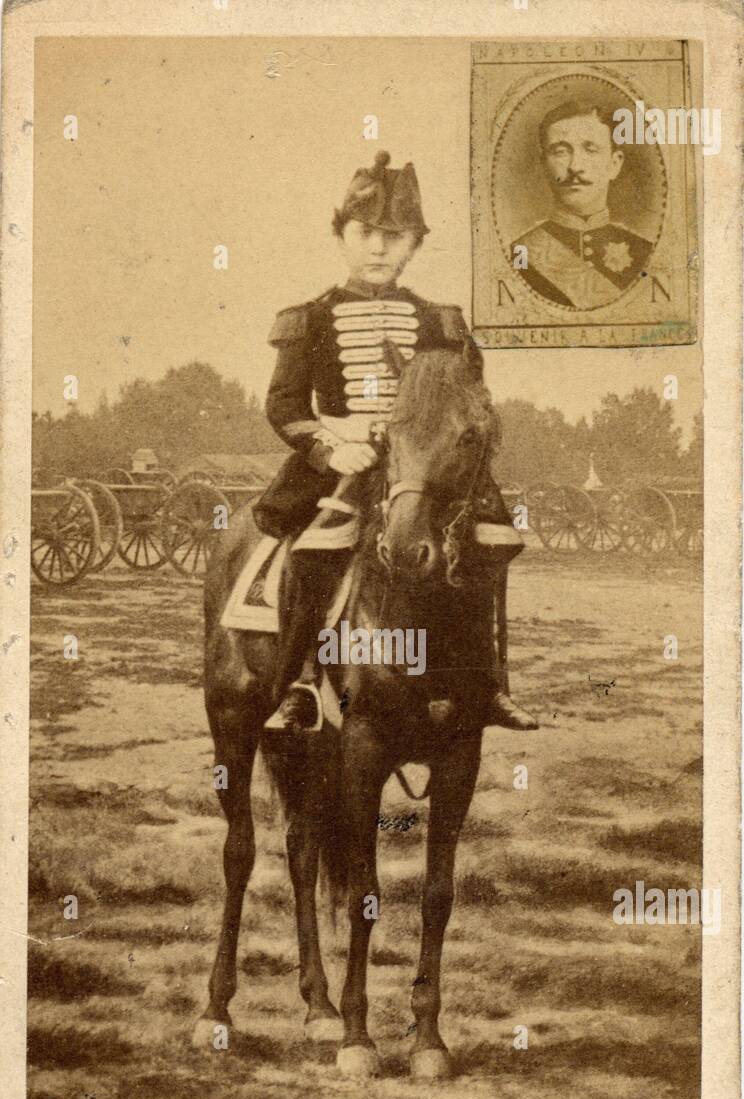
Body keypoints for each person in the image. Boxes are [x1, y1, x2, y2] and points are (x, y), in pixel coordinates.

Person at [254, 149, 538, 733]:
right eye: (365, 233)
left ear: (414, 246)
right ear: (342, 237)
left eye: (395, 235)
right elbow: (283, 406)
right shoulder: (307, 318)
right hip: (341, 463)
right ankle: (305, 679)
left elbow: (468, 400)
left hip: (424, 469)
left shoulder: (441, 321)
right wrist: (330, 446)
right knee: (311, 553)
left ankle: (486, 682)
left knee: (486, 543)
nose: (378, 248)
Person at [512, 101, 653, 309]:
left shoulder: (646, 254)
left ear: (615, 164)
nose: (575, 166)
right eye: (561, 151)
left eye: (590, 150)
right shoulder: (517, 255)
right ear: (544, 164)